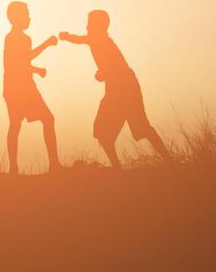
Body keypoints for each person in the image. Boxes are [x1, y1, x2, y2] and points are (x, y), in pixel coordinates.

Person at [60, 9, 170, 168]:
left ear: (101, 26)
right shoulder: (99, 40)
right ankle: (123, 167)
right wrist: (103, 74)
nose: (87, 26)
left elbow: (112, 67)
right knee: (108, 131)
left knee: (132, 128)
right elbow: (105, 61)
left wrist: (66, 37)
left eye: (90, 23)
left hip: (123, 86)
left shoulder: (100, 40)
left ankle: (166, 161)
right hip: (120, 86)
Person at [3, 1, 60, 175]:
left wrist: (36, 70)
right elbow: (17, 62)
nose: (29, 17)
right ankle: (14, 168)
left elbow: (22, 62)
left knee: (44, 120)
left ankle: (54, 165)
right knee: (18, 124)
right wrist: (47, 44)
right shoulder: (12, 38)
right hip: (16, 89)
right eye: (26, 14)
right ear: (15, 18)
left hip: (25, 86)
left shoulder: (24, 39)